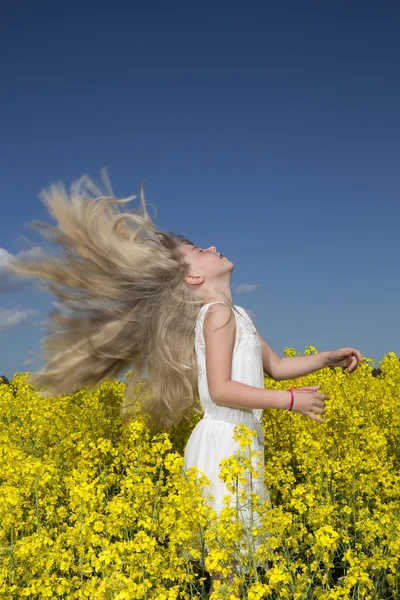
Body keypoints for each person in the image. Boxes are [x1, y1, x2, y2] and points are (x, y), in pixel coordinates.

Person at [6, 173, 362, 597]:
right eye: (200, 250)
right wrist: (288, 402)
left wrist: (327, 357)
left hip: (241, 443)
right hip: (226, 446)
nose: (212, 248)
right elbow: (221, 389)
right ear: (193, 279)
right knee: (229, 569)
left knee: (233, 567)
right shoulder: (217, 315)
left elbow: (278, 365)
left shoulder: (237, 314)